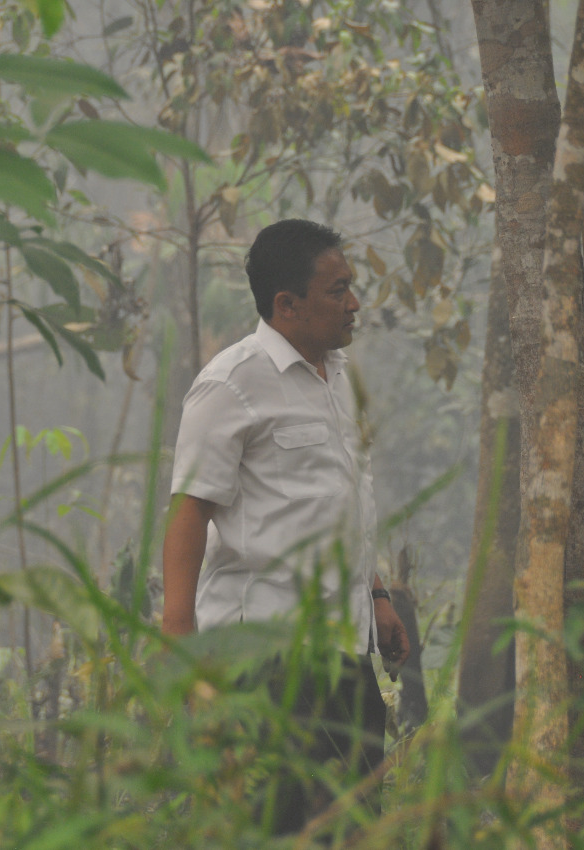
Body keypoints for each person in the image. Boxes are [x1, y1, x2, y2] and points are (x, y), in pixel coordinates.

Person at [162, 218, 410, 835]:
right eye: (337, 290)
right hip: (266, 658)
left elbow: (341, 501)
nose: (354, 303)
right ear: (286, 304)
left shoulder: (341, 376)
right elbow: (189, 512)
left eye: (352, 287)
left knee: (354, 823)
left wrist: (376, 594)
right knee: (276, 824)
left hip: (347, 648)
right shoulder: (230, 383)